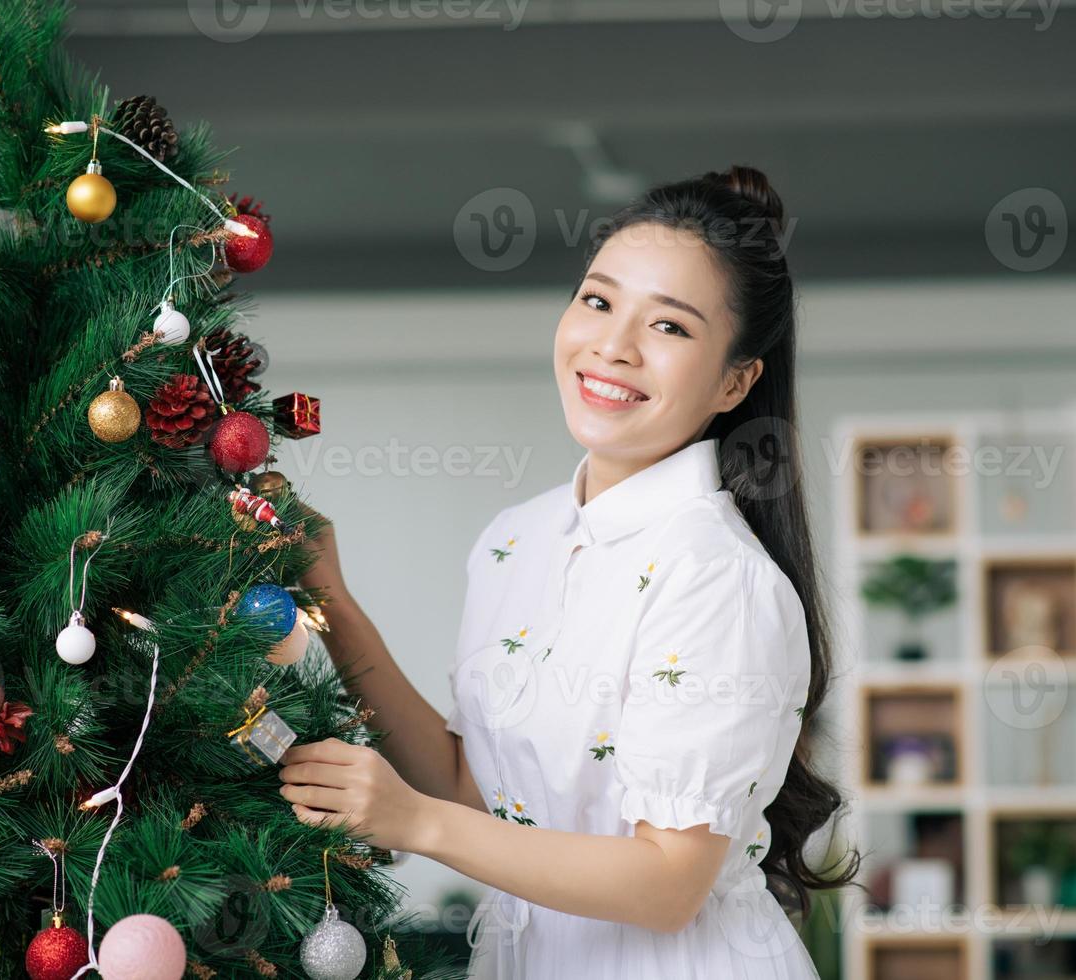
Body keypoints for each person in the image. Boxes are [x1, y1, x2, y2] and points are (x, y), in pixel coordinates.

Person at [278, 165, 857, 978]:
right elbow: (471, 787)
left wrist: (411, 823)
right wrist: (331, 601)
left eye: (671, 327)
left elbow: (668, 883)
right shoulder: (516, 541)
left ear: (737, 379)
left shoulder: (718, 577)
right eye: (597, 300)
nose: (613, 346)